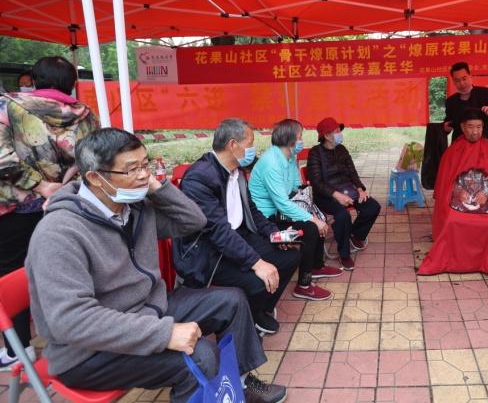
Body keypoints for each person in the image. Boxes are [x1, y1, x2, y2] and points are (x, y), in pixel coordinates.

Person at [25, 128, 286, 403]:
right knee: (201, 355)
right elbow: (70, 322)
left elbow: (194, 221)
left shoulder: (135, 209)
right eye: (131, 169)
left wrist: (158, 188)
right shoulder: (59, 233)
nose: (142, 175)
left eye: (145, 165)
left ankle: (239, 384)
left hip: (148, 309)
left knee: (231, 301)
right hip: (87, 351)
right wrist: (164, 333)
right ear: (95, 177)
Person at [0, 56, 98, 371]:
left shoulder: (9, 108)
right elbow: (90, 159)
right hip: (65, 204)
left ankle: (19, 349)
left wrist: (40, 186)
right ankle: (77, 340)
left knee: (11, 273)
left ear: (34, 79)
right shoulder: (84, 114)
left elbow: (2, 158)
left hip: (17, 207)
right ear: (72, 83)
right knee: (67, 268)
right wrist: (60, 186)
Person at [175, 118, 301, 335]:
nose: (253, 149)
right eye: (250, 143)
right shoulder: (199, 178)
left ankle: (258, 310)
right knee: (257, 280)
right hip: (208, 251)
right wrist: (256, 263)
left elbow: (251, 210)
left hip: (237, 236)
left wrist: (275, 234)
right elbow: (217, 231)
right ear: (233, 145)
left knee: (290, 256)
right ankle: (245, 323)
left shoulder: (236, 171)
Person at [417, 109, 488, 278]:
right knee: (453, 221)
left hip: (487, 198)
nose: (475, 132)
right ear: (463, 127)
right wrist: (458, 191)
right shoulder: (453, 151)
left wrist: (486, 192)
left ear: (483, 127)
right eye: (470, 127)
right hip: (460, 198)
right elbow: (446, 181)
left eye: (479, 127)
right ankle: (457, 261)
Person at [249, 118, 338, 301]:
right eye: (300, 137)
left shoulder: (289, 157)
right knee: (311, 227)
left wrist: (312, 212)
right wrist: (312, 219)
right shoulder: (271, 163)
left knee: (317, 216)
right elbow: (282, 203)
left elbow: (297, 188)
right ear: (289, 139)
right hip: (266, 219)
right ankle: (304, 285)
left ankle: (317, 266)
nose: (301, 141)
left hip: (282, 210)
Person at [307, 117, 381, 271]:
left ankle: (355, 235)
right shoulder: (315, 153)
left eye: (339, 131)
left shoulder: (342, 149)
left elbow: (352, 171)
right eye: (336, 131)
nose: (340, 134)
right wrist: (337, 195)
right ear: (327, 136)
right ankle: (344, 254)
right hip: (325, 195)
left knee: (372, 206)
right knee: (342, 215)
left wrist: (360, 189)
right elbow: (316, 182)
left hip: (348, 190)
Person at [443, 61, 488, 146]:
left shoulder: (484, 93)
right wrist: (446, 128)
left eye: (464, 78)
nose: (462, 83)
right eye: (457, 80)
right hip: (460, 146)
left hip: (485, 144)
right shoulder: (451, 101)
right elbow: (447, 123)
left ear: (470, 76)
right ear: (453, 82)